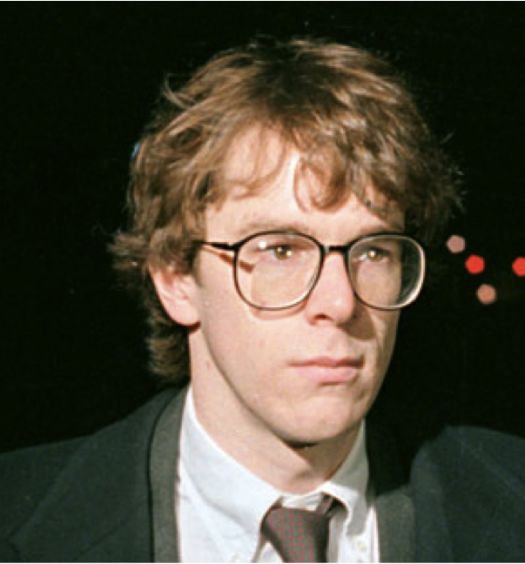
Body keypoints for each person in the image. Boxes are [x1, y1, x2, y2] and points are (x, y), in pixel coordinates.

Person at [1, 37, 524, 564]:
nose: (341, 302)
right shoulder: (21, 519)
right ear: (176, 278)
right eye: (280, 250)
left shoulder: (508, 502)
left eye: (373, 251)